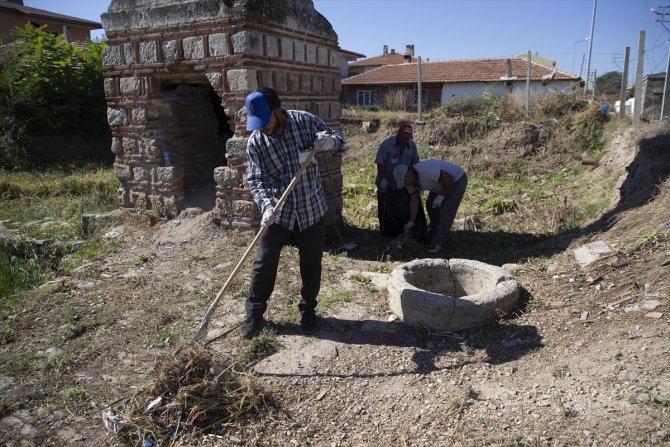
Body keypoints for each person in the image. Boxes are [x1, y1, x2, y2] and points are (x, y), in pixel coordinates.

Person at [241, 87, 346, 339]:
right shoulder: (257, 142)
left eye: (265, 122)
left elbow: (339, 142)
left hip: (311, 209)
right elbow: (256, 180)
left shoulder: (306, 122)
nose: (262, 128)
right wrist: (266, 206)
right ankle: (254, 314)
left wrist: (330, 143)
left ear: (279, 111)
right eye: (257, 123)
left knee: (311, 264)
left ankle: (308, 311)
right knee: (263, 262)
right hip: (278, 212)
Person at [393, 159, 467, 254]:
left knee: (446, 212)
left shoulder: (427, 171)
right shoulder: (409, 181)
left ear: (408, 173)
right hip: (440, 184)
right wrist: (411, 221)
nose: (405, 183)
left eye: (404, 180)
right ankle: (434, 234)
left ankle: (438, 243)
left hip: (456, 180)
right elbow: (414, 200)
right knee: (430, 206)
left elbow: (449, 178)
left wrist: (441, 196)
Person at [374, 123, 424, 237]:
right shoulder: (386, 145)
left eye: (408, 138)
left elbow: (415, 165)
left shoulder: (412, 147)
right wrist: (383, 180)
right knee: (385, 207)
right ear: (399, 134)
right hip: (387, 182)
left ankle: (403, 230)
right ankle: (385, 232)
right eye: (404, 137)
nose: (406, 140)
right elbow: (380, 163)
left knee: (403, 206)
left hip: (404, 183)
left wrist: (416, 182)